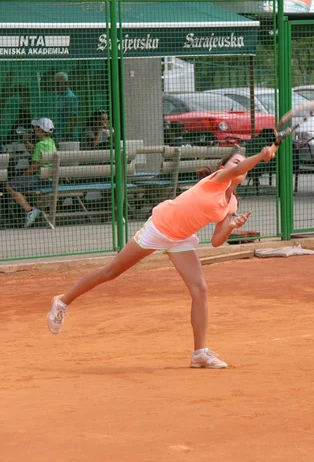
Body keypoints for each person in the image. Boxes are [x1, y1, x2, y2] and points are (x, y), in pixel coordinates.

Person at [47, 145, 275, 368]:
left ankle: (199, 353)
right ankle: (63, 301)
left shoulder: (232, 202)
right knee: (112, 271)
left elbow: (216, 241)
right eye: (235, 161)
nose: (240, 166)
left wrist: (232, 226)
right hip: (160, 227)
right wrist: (260, 155)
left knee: (200, 289)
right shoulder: (216, 179)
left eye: (242, 163)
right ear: (222, 166)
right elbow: (238, 169)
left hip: (181, 238)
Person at [4, 118, 56, 228]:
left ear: (41, 130)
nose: (34, 129)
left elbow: (34, 167)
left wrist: (22, 177)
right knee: (18, 183)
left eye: (36, 128)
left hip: (41, 181)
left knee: (9, 185)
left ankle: (30, 210)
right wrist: (25, 141)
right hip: (51, 180)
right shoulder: (50, 142)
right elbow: (35, 152)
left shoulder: (40, 145)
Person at [53, 72, 78, 143]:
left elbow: (73, 118)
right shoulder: (58, 97)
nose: (56, 86)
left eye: (59, 83)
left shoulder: (70, 97)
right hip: (58, 135)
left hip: (68, 137)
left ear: (66, 83)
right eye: (56, 83)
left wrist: (67, 136)